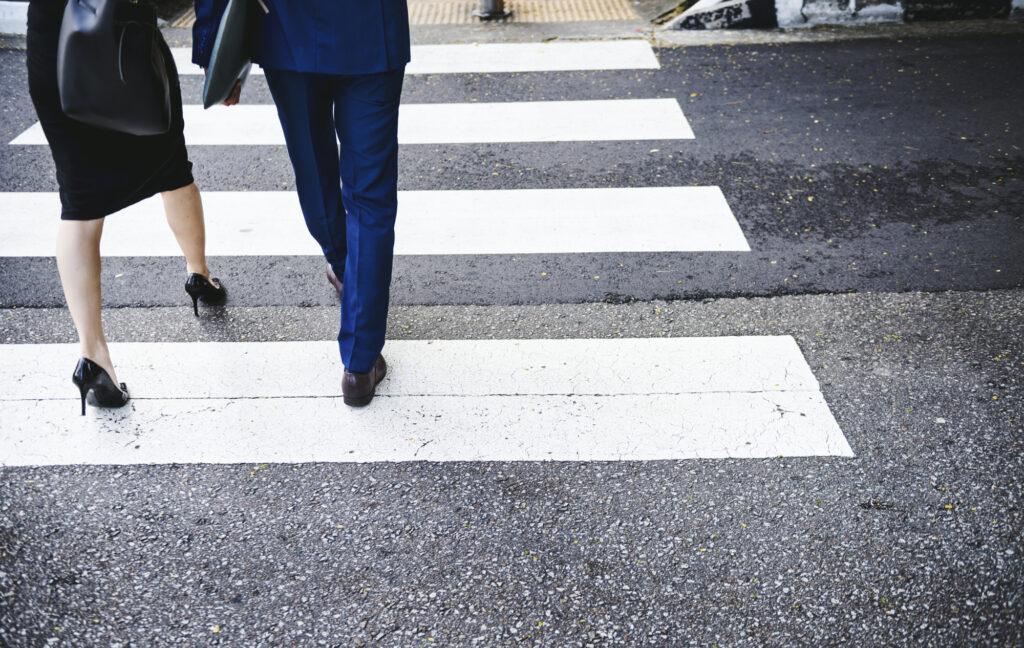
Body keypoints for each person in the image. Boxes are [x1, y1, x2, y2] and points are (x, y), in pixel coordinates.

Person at [193, 0, 410, 406]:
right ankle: (359, 366)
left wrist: (210, 43)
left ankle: (346, 270)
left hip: (286, 30)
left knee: (314, 172)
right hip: (371, 28)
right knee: (371, 196)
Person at [26, 0, 227, 416]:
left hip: (56, 46)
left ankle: (93, 355)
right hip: (123, 41)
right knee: (172, 168)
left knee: (79, 205)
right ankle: (199, 275)